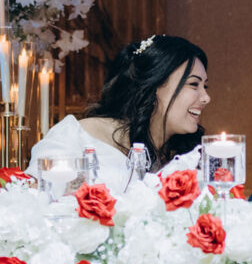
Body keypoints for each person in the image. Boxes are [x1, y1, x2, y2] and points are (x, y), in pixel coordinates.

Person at [27, 34, 210, 194]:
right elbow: (33, 198)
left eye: (205, 86)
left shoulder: (186, 159)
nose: (206, 98)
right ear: (154, 85)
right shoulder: (77, 136)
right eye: (194, 84)